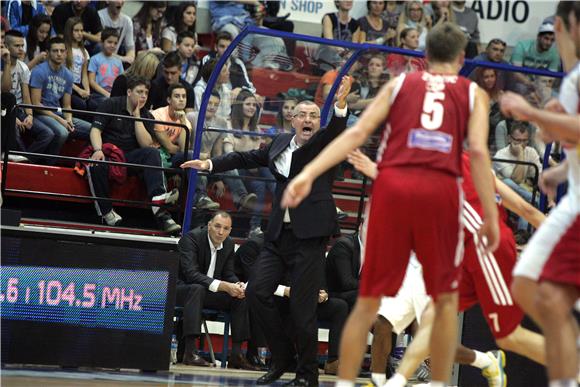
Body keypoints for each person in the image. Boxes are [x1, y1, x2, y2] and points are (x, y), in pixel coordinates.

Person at [281, 23, 499, 387]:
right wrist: (489, 216)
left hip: (394, 192)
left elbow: (355, 133)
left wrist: (308, 173)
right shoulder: (474, 93)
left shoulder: (401, 84)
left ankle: (348, 382)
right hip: (438, 197)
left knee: (367, 306)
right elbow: (477, 154)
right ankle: (438, 383)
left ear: (425, 58)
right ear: (462, 60)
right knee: (443, 307)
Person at [182, 76, 353, 386]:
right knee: (257, 292)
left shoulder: (323, 144)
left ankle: (307, 375)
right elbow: (244, 157)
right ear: (291, 119)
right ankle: (282, 357)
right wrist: (209, 165)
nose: (308, 119)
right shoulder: (278, 143)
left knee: (303, 312)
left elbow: (337, 131)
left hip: (310, 238)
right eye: (302, 114)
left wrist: (340, 107)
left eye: (314, 115)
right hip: (278, 236)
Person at [348, 148, 548, 387]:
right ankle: (379, 381)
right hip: (415, 265)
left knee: (442, 339)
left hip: (448, 263)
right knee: (382, 323)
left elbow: (524, 210)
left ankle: (485, 361)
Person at [500, 5, 580, 386]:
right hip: (572, 199)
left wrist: (531, 114)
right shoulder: (571, 79)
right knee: (536, 292)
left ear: (560, 26)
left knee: (540, 292)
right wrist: (561, 170)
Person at [86, 75, 181, 233]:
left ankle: (158, 197)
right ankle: (106, 212)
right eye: (139, 92)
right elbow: (95, 130)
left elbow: (146, 144)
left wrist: (137, 117)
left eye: (146, 93)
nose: (143, 96)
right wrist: (98, 149)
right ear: (129, 92)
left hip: (130, 158)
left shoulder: (146, 116)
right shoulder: (111, 104)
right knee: (96, 165)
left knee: (152, 153)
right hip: (109, 153)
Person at [176, 211, 259, 370]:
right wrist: (223, 286)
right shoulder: (191, 239)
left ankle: (236, 355)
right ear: (209, 225)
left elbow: (228, 274)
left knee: (241, 297)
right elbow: (191, 274)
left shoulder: (228, 244)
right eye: (217, 226)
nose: (221, 232)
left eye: (226, 228)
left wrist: (237, 285)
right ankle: (190, 351)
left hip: (207, 292)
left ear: (230, 230)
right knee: (197, 288)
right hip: (183, 290)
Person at [29, 36, 92, 164]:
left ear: (66, 53)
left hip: (59, 113)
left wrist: (68, 119)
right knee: (62, 132)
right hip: (41, 113)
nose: (59, 54)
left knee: (93, 130)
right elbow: (36, 104)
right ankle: (48, 164)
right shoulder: (39, 71)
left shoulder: (68, 74)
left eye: (62, 51)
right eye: (55, 51)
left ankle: (81, 163)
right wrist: (61, 120)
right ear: (48, 53)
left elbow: (67, 105)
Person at [63, 17, 90, 112]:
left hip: (79, 85)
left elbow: (84, 75)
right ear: (69, 31)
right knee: (81, 105)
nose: (80, 33)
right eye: (76, 30)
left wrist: (87, 90)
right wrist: (79, 90)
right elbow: (63, 75)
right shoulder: (64, 50)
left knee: (92, 104)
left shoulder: (84, 51)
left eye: (82, 30)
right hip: (67, 86)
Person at [97, 0, 135, 66]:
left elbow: (130, 48)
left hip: (116, 61)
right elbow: (101, 48)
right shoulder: (99, 16)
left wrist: (130, 58)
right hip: (100, 59)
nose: (120, 2)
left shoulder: (127, 21)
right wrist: (122, 59)